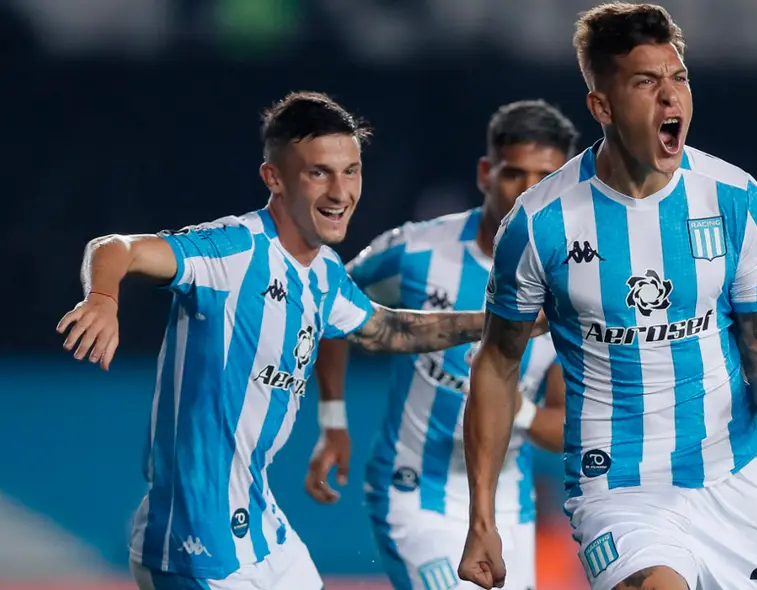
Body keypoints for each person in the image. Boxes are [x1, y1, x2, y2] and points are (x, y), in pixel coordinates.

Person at [55, 91, 538, 590]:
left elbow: (386, 329)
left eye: (351, 171)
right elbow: (116, 247)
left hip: (261, 528)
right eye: (319, 173)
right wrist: (104, 299)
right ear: (274, 178)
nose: (340, 191)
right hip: (193, 544)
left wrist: (500, 319)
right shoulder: (234, 250)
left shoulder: (324, 273)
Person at [458, 4, 757, 590]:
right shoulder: (541, 223)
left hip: (735, 479)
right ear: (602, 106)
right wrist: (482, 520)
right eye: (646, 82)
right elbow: (496, 364)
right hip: (619, 488)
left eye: (679, 78)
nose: (672, 99)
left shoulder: (735, 199)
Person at [304, 100, 579, 590]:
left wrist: (520, 413)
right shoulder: (415, 251)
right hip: (411, 491)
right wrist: (332, 420)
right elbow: (330, 308)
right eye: (515, 174)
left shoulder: (576, 289)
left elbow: (567, 427)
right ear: (484, 173)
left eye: (547, 179)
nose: (529, 193)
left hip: (507, 509)